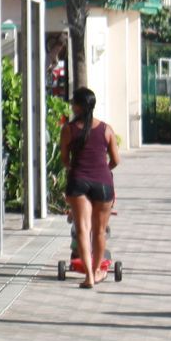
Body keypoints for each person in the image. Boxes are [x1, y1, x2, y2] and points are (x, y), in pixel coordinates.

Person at [57, 87, 120, 289]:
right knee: (100, 232)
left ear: (77, 106)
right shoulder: (106, 129)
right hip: (103, 183)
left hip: (78, 181)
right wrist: (102, 169)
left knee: (83, 230)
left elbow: (65, 160)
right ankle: (96, 271)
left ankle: (89, 278)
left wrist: (76, 168)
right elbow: (116, 160)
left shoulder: (68, 129)